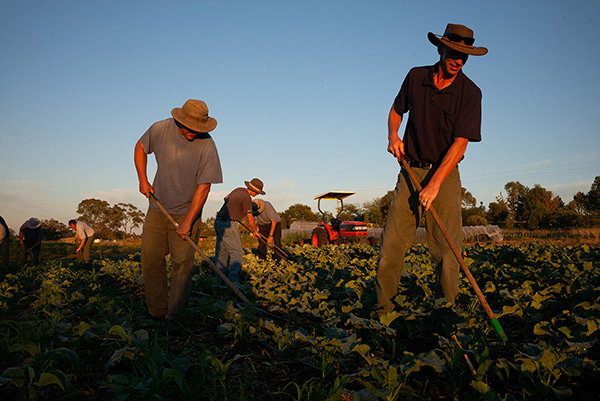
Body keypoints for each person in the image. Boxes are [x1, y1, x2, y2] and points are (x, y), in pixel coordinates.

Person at [374, 24, 487, 317]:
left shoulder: (471, 93)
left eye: (464, 57)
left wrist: (435, 184)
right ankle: (383, 310)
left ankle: (445, 314)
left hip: (445, 177)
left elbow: (460, 145)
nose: (458, 61)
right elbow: (396, 110)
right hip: (410, 172)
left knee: (447, 251)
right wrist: (393, 136)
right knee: (392, 245)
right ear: (440, 49)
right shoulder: (416, 77)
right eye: (454, 53)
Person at [135, 99, 222, 332]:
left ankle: (175, 315)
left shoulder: (208, 146)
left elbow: (204, 187)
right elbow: (140, 147)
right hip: (157, 207)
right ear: (180, 121)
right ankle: (157, 311)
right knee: (150, 258)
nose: (194, 133)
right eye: (190, 129)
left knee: (182, 263)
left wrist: (187, 221)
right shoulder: (160, 129)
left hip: (186, 210)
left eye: (199, 130)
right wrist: (143, 179)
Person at [214, 179, 263, 281]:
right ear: (253, 190)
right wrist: (255, 231)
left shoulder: (238, 190)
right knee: (237, 252)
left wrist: (234, 209)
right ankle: (233, 280)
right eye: (257, 192)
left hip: (219, 221)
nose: (257, 195)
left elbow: (226, 198)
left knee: (222, 252)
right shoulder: (246, 198)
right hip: (228, 224)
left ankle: (219, 278)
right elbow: (250, 218)